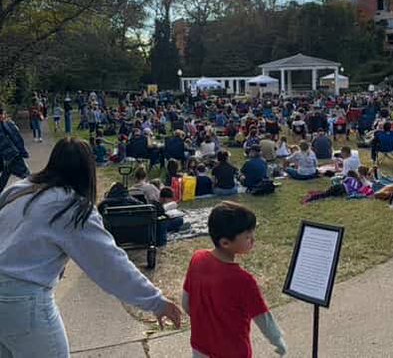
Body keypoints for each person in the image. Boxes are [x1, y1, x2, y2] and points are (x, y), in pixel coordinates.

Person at [0, 138, 183, 355]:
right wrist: (156, 301)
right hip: (21, 298)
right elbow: (109, 264)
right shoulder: (71, 207)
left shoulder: (22, 189)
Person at [183, 201, 287, 357]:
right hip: (232, 351)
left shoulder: (197, 258)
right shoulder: (243, 280)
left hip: (200, 346)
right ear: (225, 242)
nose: (253, 239)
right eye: (247, 236)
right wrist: (277, 340)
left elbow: (186, 302)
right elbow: (263, 317)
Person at [0, 108, 30, 190]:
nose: (4, 116)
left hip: (7, 159)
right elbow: (16, 139)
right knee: (27, 177)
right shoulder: (6, 125)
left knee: (3, 180)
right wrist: (22, 152)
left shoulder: (5, 124)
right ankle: (35, 192)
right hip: (12, 156)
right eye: (3, 114)